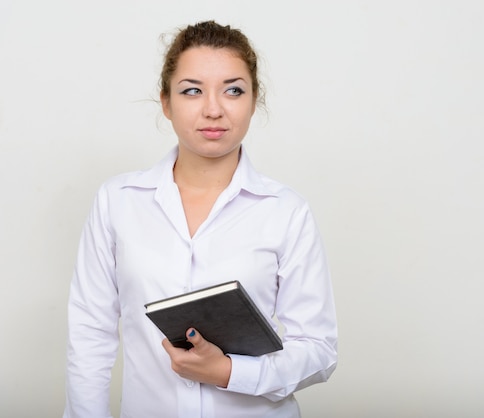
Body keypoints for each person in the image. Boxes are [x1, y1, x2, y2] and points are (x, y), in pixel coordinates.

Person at [64, 20, 338, 418]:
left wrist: (231, 372)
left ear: (254, 99)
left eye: (233, 90)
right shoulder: (118, 202)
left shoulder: (285, 210)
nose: (213, 109)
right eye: (192, 90)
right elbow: (90, 334)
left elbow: (319, 349)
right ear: (165, 102)